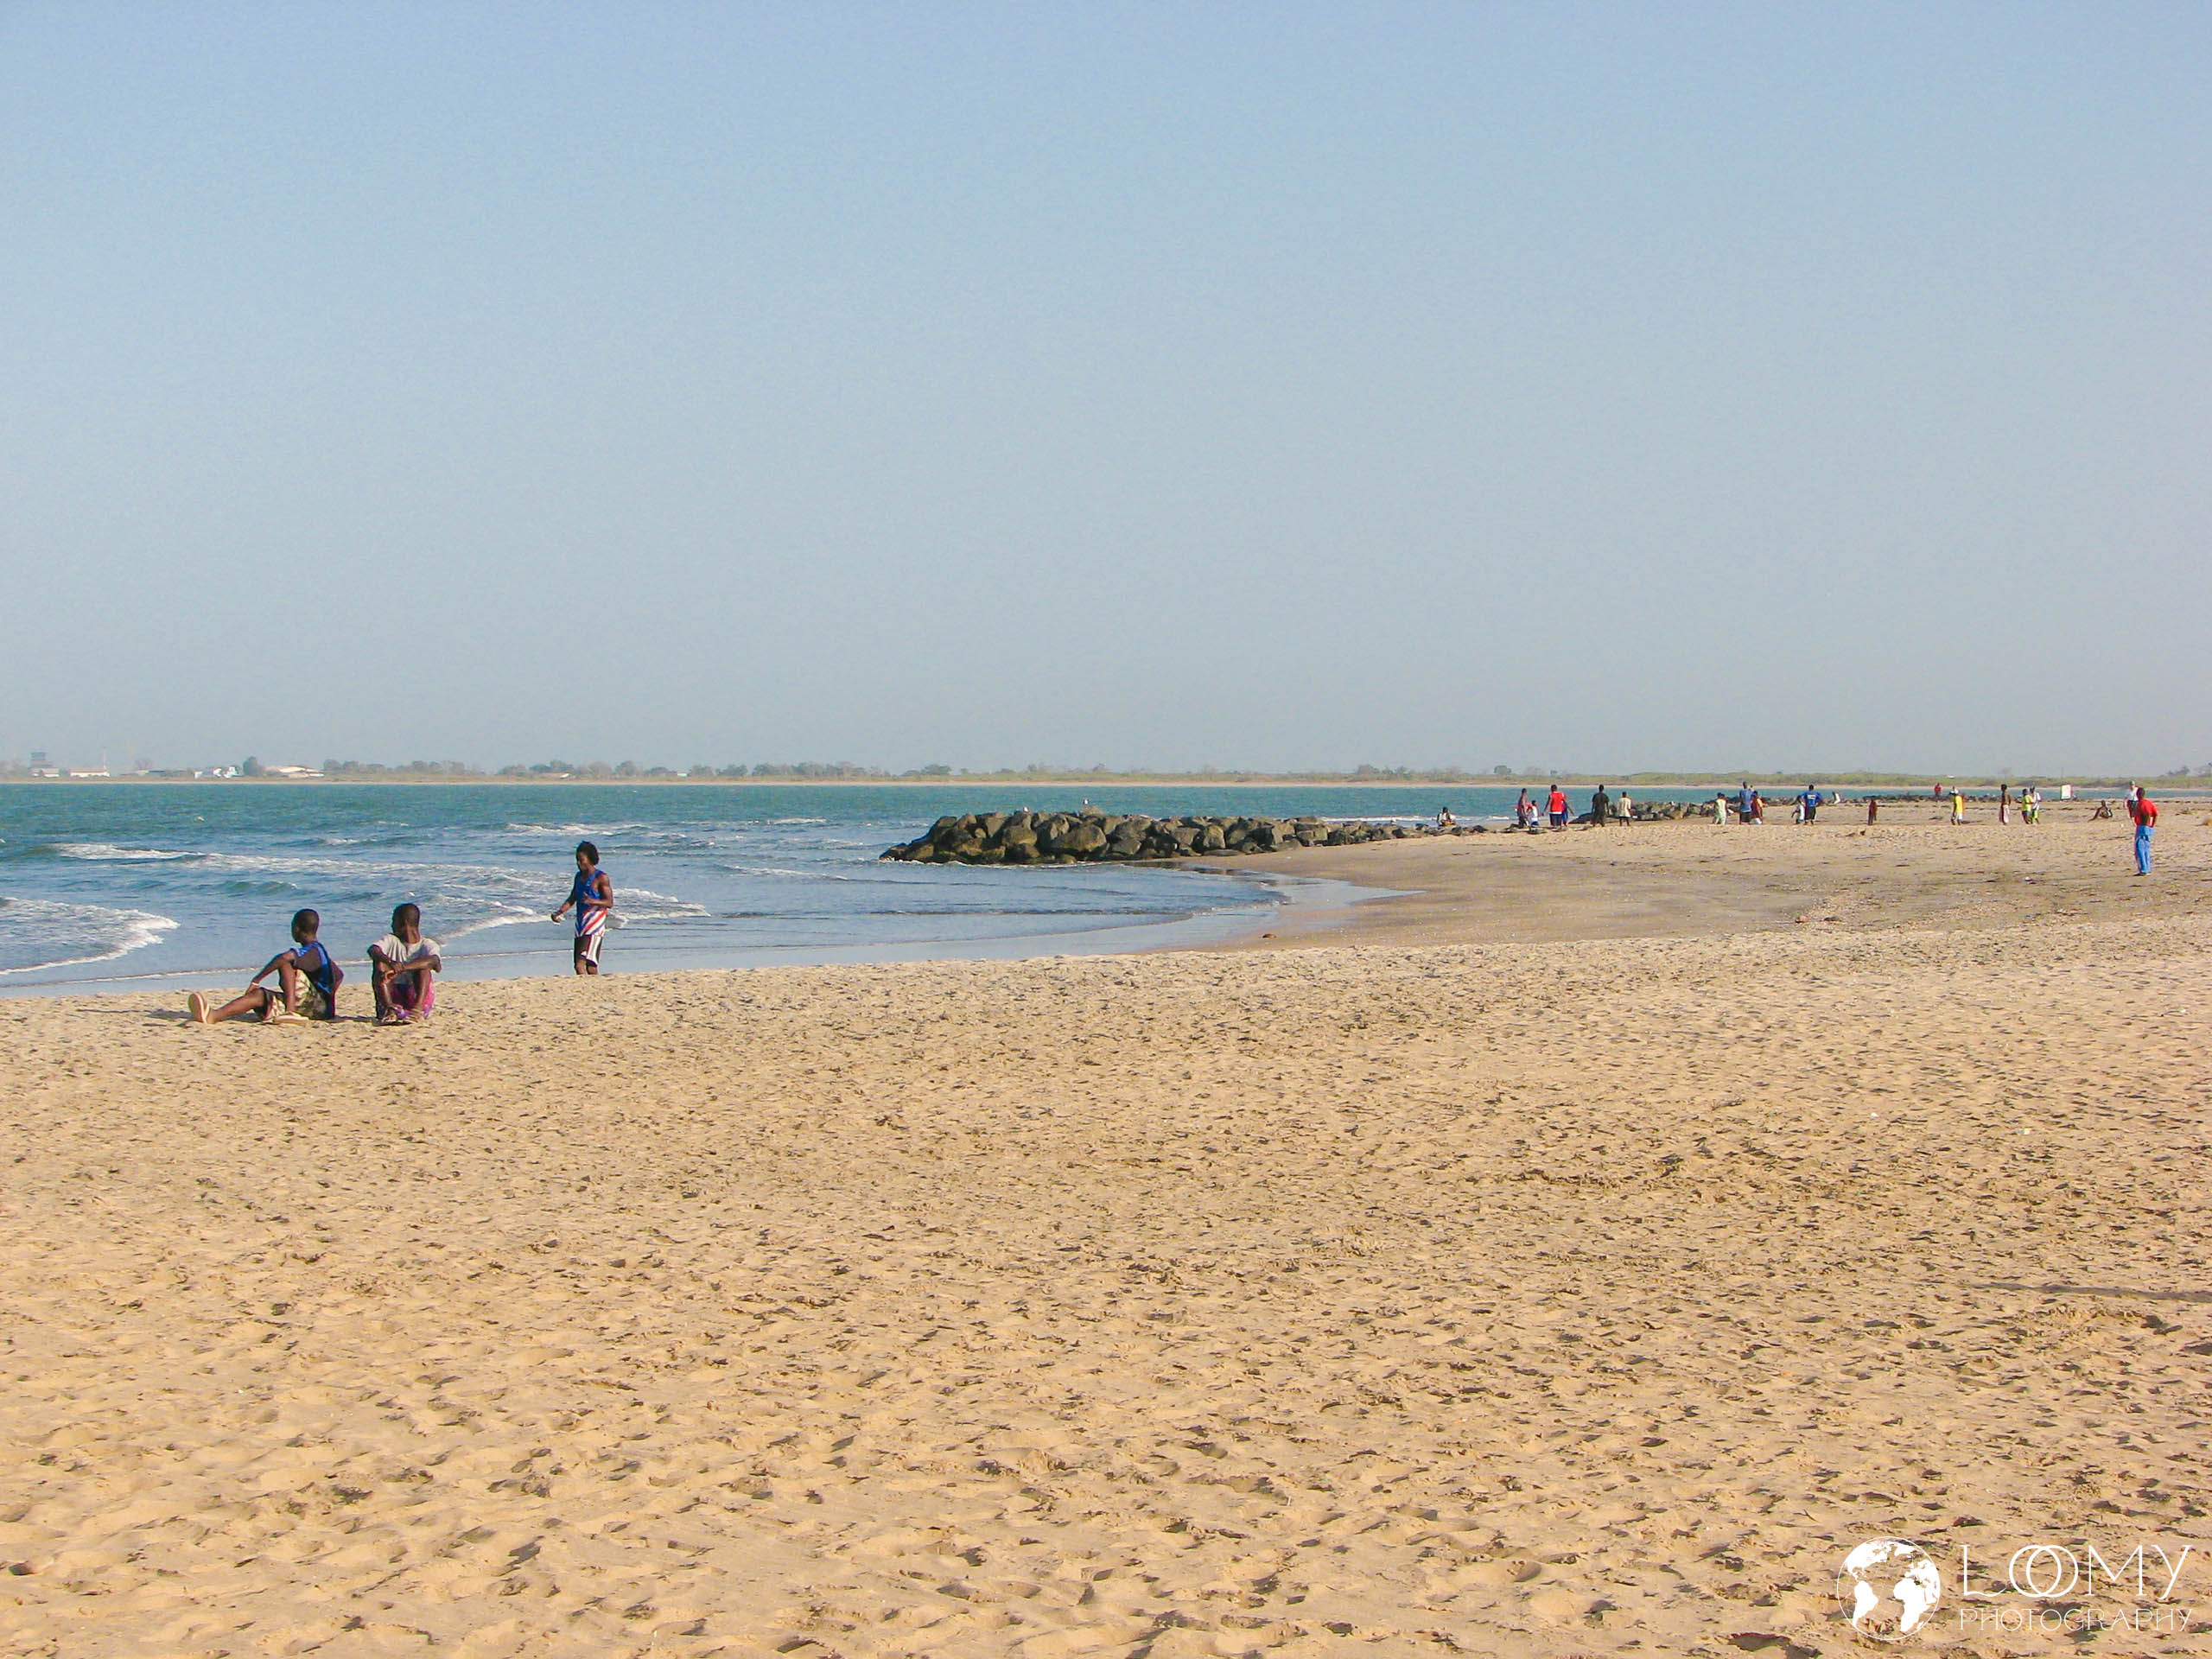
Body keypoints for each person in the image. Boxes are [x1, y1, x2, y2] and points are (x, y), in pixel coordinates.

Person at [188, 908, 341, 1025]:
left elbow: (284, 958)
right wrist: (329, 1001)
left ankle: (290, 1010)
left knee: (285, 963)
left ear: (296, 928)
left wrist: (257, 980)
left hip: (317, 1007)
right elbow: (339, 976)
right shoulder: (320, 952)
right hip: (319, 1009)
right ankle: (214, 1015)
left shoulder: (312, 951)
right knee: (260, 996)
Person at [370, 903, 442, 1024]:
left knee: (424, 968)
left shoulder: (427, 944)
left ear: (404, 923)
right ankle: (390, 1009)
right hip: (393, 995)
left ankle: (417, 1011)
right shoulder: (390, 940)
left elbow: (435, 962)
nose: (392, 925)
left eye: (394, 921)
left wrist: (402, 968)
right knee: (380, 965)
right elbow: (373, 950)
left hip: (416, 996)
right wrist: (390, 962)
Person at [551, 839, 614, 975]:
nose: (579, 863)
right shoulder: (578, 877)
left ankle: (590, 989)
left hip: (594, 926)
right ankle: (592, 988)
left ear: (590, 859)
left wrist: (593, 901)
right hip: (581, 924)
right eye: (577, 860)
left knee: (584, 964)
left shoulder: (601, 878)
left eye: (582, 860)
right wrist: (559, 912)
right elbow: (572, 898)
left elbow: (609, 903)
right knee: (582, 965)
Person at [2128, 785, 2157, 875]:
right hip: (2148, 828)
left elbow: (2146, 814)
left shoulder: (2141, 804)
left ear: (2138, 794)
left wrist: (2142, 824)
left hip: (2142, 827)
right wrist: (2152, 825)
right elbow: (2155, 814)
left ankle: (2143, 870)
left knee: (2140, 850)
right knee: (2146, 849)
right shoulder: (2149, 803)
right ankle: (2147, 868)